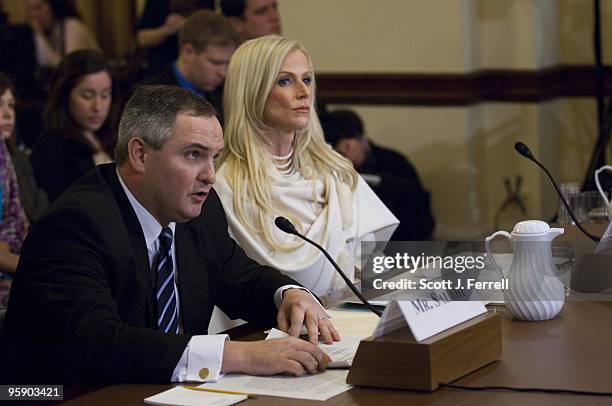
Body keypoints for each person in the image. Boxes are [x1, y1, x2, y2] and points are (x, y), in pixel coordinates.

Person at [1, 85, 337, 384]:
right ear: (140, 154)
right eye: (194, 155)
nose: (210, 175)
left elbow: (237, 276)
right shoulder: (76, 224)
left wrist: (289, 295)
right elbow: (97, 341)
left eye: (214, 157)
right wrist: (240, 356)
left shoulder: (197, 209)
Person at [215, 36, 398, 297]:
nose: (304, 92)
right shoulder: (227, 186)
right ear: (252, 90)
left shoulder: (334, 172)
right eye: (285, 80)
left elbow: (365, 264)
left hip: (347, 319)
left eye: (307, 79)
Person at [329, 110, 435, 241]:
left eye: (346, 146)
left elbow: (421, 219)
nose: (344, 153)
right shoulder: (332, 167)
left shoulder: (394, 163)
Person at [32, 49, 116, 202]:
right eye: (87, 96)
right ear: (64, 95)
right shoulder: (50, 146)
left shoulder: (113, 136)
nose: (98, 106)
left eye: (105, 95)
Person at [143, 10, 240, 123]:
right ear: (188, 52)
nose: (223, 73)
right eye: (215, 62)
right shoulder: (149, 97)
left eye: (228, 63)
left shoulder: (226, 93)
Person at [0, 73, 29, 308]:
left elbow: (14, 219)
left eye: (10, 104)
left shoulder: (3, 155)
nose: (8, 114)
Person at [135, 0, 214, 78]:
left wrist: (191, 25)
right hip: (162, 66)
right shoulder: (157, 3)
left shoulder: (207, 2)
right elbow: (142, 39)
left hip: (199, 66)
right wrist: (167, 29)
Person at [28, 0, 100, 69]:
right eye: (31, 9)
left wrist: (41, 42)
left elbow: (68, 69)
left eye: (38, 7)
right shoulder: (50, 31)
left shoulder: (73, 26)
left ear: (55, 6)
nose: (33, 15)